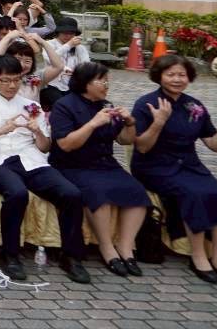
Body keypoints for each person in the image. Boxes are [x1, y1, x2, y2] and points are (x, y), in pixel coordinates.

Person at [0, 55, 90, 284]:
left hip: (30, 159)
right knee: (17, 193)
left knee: (71, 194)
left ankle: (71, 256)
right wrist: (0, 130)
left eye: (16, 80)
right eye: (5, 80)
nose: (12, 85)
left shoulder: (31, 106)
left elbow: (45, 147)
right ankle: (10, 254)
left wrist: (38, 131)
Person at [131, 55, 217, 285]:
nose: (177, 79)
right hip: (155, 166)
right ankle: (198, 256)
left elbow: (215, 145)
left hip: (189, 165)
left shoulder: (194, 106)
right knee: (194, 194)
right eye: (171, 74)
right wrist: (159, 122)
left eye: (182, 75)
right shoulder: (146, 103)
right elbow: (142, 147)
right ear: (159, 76)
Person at [49, 62, 149, 278]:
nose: (106, 85)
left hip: (105, 163)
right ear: (85, 83)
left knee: (137, 192)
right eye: (101, 81)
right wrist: (93, 124)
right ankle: (107, 247)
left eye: (107, 81)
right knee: (98, 193)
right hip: (73, 164)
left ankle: (125, 247)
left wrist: (130, 122)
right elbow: (65, 144)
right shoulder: (64, 105)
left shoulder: (106, 105)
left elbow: (124, 140)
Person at [42, 16, 90, 110]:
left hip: (72, 85)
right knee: (62, 106)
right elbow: (49, 59)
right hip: (52, 84)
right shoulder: (49, 44)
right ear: (58, 32)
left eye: (71, 33)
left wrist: (78, 71)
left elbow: (86, 65)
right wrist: (68, 45)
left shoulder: (80, 48)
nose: (68, 36)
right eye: (64, 32)